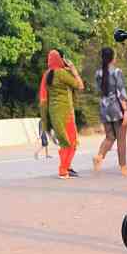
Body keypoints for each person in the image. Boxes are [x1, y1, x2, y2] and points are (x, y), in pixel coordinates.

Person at [39, 48, 84, 178]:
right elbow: (80, 86)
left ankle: (67, 167)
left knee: (64, 140)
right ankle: (63, 169)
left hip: (54, 113)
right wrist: (74, 70)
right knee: (72, 141)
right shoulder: (62, 73)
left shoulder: (47, 75)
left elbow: (43, 97)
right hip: (66, 113)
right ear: (61, 59)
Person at [92, 47, 127, 176]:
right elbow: (120, 92)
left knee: (110, 136)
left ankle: (99, 156)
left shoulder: (98, 73)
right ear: (112, 58)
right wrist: (126, 110)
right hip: (116, 106)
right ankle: (123, 167)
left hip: (104, 106)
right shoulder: (116, 72)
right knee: (121, 138)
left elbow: (99, 89)